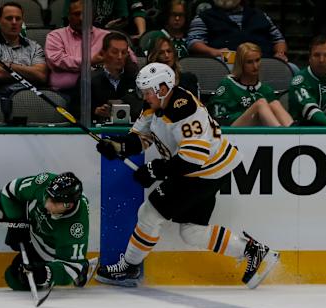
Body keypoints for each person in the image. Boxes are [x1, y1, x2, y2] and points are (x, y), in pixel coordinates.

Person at [94, 62, 280, 289]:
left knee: (150, 213)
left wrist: (155, 170)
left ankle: (129, 267)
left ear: (162, 89)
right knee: (192, 231)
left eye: (147, 92)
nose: (144, 97)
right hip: (208, 170)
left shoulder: (184, 110)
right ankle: (252, 250)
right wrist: (117, 146)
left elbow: (193, 159)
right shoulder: (155, 105)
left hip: (202, 171)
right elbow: (142, 138)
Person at [207, 42, 293, 126]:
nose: (255, 66)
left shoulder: (265, 89)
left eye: (257, 60)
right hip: (230, 130)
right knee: (261, 103)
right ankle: (279, 137)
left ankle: (293, 134)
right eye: (249, 62)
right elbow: (218, 117)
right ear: (241, 64)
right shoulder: (227, 84)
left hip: (258, 132)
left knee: (275, 103)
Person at [186, 0, 288, 63]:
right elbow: (193, 42)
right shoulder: (203, 17)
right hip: (228, 61)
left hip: (263, 60)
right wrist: (214, 52)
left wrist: (280, 53)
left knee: (291, 68)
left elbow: (279, 40)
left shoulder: (260, 15)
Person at [0, 1, 47, 96]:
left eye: (18, 18)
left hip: (34, 94)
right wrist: (30, 71)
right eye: (9, 18)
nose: (14, 22)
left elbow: (41, 75)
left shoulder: (34, 46)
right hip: (4, 96)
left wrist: (10, 66)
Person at [288, 35, 326, 127]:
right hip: (304, 133)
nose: (321, 60)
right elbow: (309, 109)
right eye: (316, 55)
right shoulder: (299, 80)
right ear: (309, 57)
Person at [88, 32, 139, 124]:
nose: (119, 57)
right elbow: (76, 110)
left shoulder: (136, 80)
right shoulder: (90, 80)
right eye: (115, 52)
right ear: (103, 53)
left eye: (123, 53)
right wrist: (95, 111)